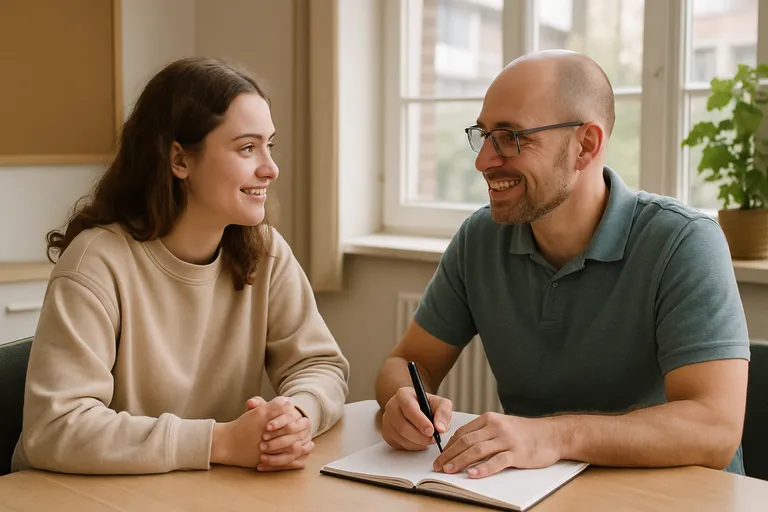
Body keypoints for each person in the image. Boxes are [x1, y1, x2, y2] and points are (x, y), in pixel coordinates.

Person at [375, 49, 751, 478]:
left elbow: (714, 429)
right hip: (533, 493)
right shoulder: (480, 238)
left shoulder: (684, 241)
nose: (483, 161)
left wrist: (554, 436)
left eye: (510, 137)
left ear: (585, 146)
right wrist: (405, 399)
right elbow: (409, 362)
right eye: (484, 135)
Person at [11, 57, 349, 475]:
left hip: (193, 490)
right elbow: (56, 428)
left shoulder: (265, 253)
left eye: (270, 145)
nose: (271, 168)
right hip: (74, 495)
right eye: (247, 148)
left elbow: (319, 365)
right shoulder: (95, 264)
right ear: (180, 160)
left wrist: (294, 416)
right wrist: (219, 441)